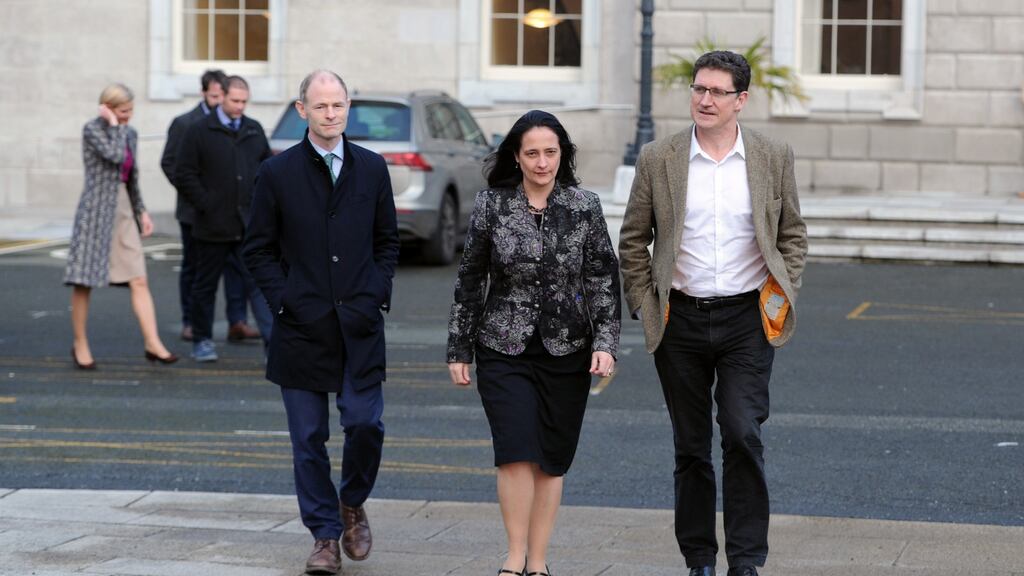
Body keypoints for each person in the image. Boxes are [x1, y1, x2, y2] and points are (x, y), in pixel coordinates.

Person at [618, 51, 808, 576]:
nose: (704, 99)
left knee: (743, 432)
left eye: (717, 92)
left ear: (740, 100)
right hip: (679, 318)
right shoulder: (660, 157)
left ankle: (745, 561)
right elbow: (634, 238)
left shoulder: (772, 155)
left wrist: (782, 290)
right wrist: (643, 300)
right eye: (699, 89)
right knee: (691, 445)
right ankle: (699, 559)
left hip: (747, 318)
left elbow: (792, 233)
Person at [447, 110, 621, 576]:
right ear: (516, 157)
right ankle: (514, 556)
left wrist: (606, 341)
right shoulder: (492, 205)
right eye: (532, 153)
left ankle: (539, 563)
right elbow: (470, 279)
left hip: (569, 347)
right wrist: (458, 347)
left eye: (550, 152)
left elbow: (602, 277)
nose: (542, 162)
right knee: (515, 447)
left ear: (562, 155)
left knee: (551, 456)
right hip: (502, 344)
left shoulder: (584, 205)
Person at [243, 70, 399, 576]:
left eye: (339, 105)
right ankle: (325, 537)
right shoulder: (278, 172)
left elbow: (387, 242)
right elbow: (258, 249)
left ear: (348, 107)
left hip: (359, 324)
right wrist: (284, 302)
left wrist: (376, 292)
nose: (331, 114)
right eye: (322, 105)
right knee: (307, 439)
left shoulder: (373, 169)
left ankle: (352, 502)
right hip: (301, 328)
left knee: (365, 424)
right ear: (302, 109)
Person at [64, 83, 179, 369]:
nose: (128, 117)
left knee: (138, 278)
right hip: (95, 213)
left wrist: (141, 210)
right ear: (108, 108)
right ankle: (80, 343)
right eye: (123, 111)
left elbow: (131, 176)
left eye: (130, 111)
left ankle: (153, 343)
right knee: (84, 282)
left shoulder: (130, 133)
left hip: (124, 211)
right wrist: (114, 124)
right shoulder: (93, 130)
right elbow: (114, 156)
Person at [175, 74, 273, 362]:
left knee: (259, 285)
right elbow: (184, 173)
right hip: (212, 225)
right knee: (205, 285)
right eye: (235, 101)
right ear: (222, 96)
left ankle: (273, 343)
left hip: (247, 225)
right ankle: (202, 340)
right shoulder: (198, 130)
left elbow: (266, 169)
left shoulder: (253, 130)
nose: (240, 107)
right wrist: (206, 204)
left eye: (244, 101)